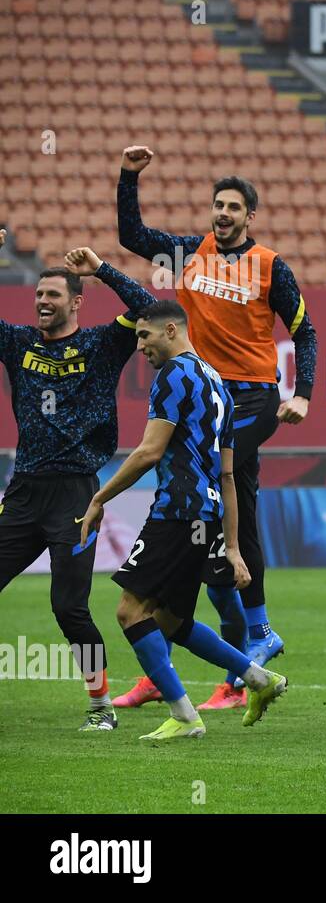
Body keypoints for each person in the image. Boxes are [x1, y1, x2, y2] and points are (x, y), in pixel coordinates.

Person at [116, 146, 319, 701]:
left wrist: (302, 394)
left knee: (211, 484)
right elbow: (132, 235)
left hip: (252, 399)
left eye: (233, 207)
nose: (223, 213)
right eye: (217, 205)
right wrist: (129, 176)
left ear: (250, 216)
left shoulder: (271, 265)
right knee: (238, 500)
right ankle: (248, 639)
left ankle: (228, 635)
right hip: (208, 397)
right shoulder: (188, 254)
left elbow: (305, 332)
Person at [79, 300, 288, 740]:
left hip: (178, 510)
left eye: (144, 336)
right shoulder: (217, 382)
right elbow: (229, 473)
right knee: (173, 620)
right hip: (208, 515)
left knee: (130, 610)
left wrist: (100, 497)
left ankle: (185, 714)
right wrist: (231, 546)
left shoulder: (173, 375)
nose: (140, 346)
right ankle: (257, 678)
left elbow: (149, 451)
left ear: (170, 330)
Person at [0, 235, 153, 730]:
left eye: (53, 296)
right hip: (22, 492)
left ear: (76, 302)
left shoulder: (102, 344)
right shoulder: (17, 342)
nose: (42, 302)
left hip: (77, 496)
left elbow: (151, 308)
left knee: (68, 606)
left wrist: (102, 268)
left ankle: (100, 706)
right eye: (38, 295)